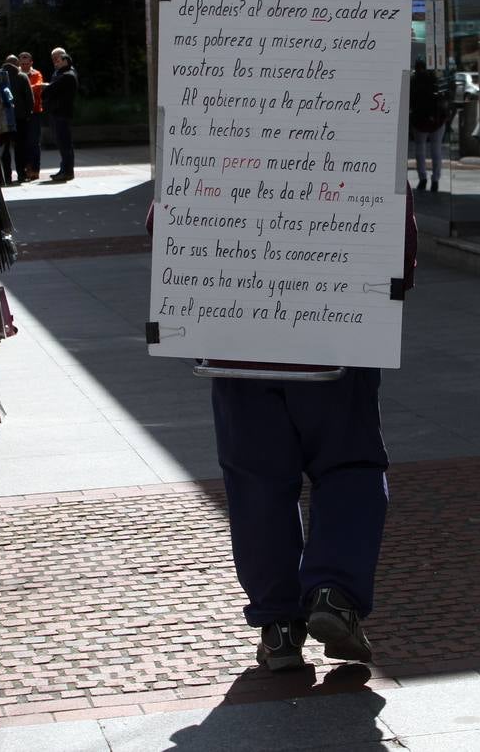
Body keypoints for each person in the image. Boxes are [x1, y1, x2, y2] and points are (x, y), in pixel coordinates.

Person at [145, 189, 417, 672]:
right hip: (334, 336)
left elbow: (165, 224)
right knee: (349, 467)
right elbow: (395, 233)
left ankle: (280, 626)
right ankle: (334, 593)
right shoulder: (362, 140)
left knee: (257, 483)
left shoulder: (211, 142)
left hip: (238, 341)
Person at [410, 61, 449, 192]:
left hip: (419, 120)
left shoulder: (413, 82)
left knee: (420, 149)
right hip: (437, 120)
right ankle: (435, 180)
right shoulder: (435, 80)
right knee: (436, 150)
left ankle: (422, 178)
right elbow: (445, 98)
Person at [41, 47, 78, 182]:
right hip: (58, 113)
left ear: (65, 60)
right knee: (62, 143)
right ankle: (64, 170)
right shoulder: (61, 73)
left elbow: (48, 90)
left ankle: (67, 171)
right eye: (53, 59)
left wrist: (46, 88)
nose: (55, 62)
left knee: (64, 144)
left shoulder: (67, 75)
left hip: (61, 113)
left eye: (58, 59)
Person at [0, 54, 33, 184]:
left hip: (3, 119)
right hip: (20, 118)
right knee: (20, 148)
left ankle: (7, 177)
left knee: (5, 148)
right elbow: (29, 99)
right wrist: (27, 114)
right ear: (17, 64)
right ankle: (21, 174)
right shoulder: (22, 76)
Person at [18, 51, 44, 179]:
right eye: (22, 64)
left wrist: (25, 89)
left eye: (27, 64)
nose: (24, 66)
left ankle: (35, 170)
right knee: (23, 143)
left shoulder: (36, 74)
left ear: (31, 63)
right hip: (21, 113)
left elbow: (38, 88)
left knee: (34, 142)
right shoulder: (17, 74)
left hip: (34, 112)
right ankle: (26, 169)